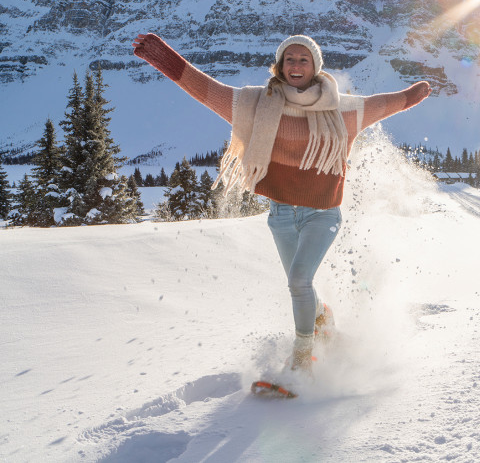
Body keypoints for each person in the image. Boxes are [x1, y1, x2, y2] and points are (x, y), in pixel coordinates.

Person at [133, 33, 431, 376]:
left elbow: (381, 104)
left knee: (299, 282)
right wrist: (165, 59)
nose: (296, 65)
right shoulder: (255, 103)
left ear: (316, 67)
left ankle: (303, 358)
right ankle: (324, 320)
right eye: (289, 59)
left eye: (304, 59)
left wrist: (410, 95)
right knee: (299, 284)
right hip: (281, 215)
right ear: (279, 64)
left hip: (322, 214)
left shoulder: (341, 107)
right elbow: (207, 90)